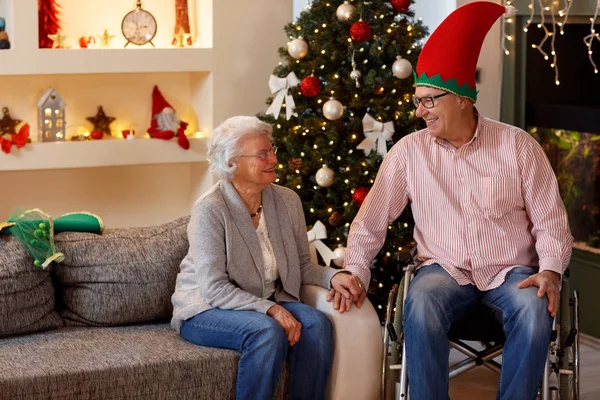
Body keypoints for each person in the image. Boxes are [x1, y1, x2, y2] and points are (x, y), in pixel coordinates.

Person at [339, 2, 574, 399]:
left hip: (511, 271)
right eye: (417, 101)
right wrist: (356, 271)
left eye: (429, 100)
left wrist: (550, 270)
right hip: (443, 269)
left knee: (536, 311)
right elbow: (371, 221)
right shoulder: (410, 153)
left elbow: (551, 221)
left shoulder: (517, 146)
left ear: (462, 98)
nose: (420, 112)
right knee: (422, 300)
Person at [171, 116, 362, 400]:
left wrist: (334, 276)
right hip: (205, 307)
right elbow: (214, 288)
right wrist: (271, 310)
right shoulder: (210, 210)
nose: (273, 157)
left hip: (262, 301)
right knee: (266, 331)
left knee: (317, 324)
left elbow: (300, 265)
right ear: (231, 163)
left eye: (271, 150)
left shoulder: (287, 201)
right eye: (262, 154)